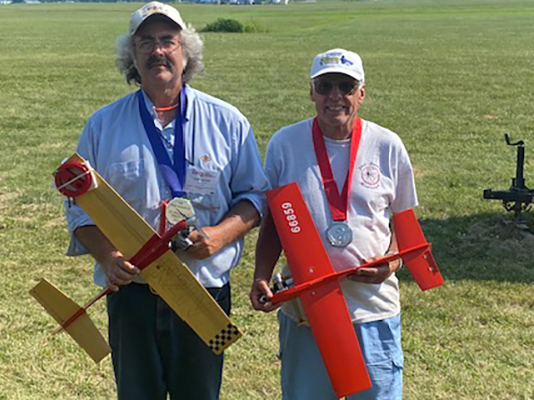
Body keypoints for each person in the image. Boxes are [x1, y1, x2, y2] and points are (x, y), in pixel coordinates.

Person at [64, 2, 269, 399]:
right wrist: (107, 257)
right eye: (146, 43)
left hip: (203, 290)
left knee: (201, 393)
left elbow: (255, 196)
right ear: (132, 56)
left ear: (185, 51)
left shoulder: (228, 122)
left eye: (167, 41)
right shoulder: (102, 125)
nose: (158, 51)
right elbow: (78, 208)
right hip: (132, 294)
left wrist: (220, 235)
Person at [250, 48, 418, 400]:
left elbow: (404, 223)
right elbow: (274, 222)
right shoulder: (285, 144)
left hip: (372, 309)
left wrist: (392, 261)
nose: (335, 96)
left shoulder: (387, 145)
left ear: (362, 92)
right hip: (307, 310)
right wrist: (262, 275)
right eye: (325, 86)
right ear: (311, 91)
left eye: (346, 86)